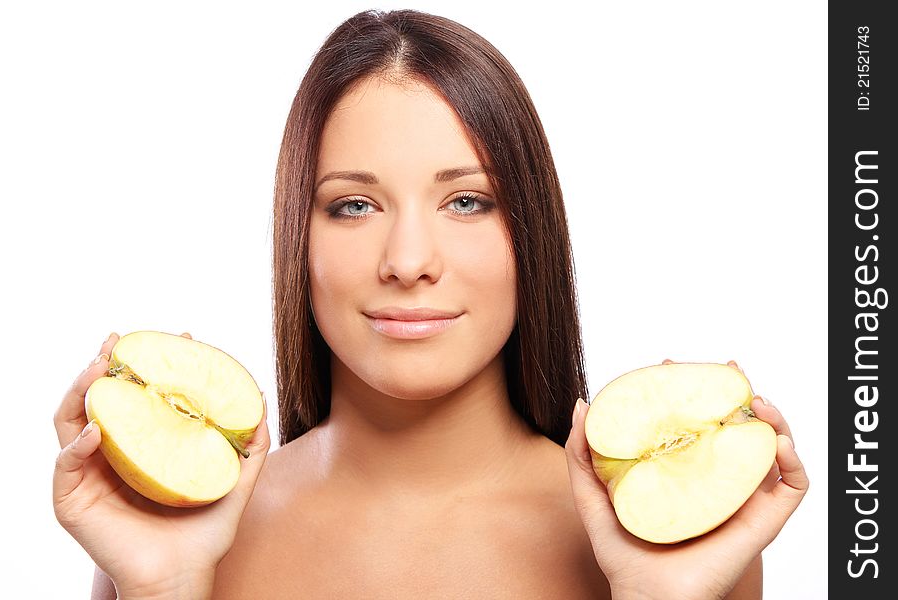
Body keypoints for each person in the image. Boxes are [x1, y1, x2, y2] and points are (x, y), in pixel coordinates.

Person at [53, 9, 808, 599]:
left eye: (468, 201)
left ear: (532, 231)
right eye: (353, 206)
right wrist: (163, 589)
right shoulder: (177, 538)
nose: (408, 261)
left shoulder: (676, 542)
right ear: (296, 238)